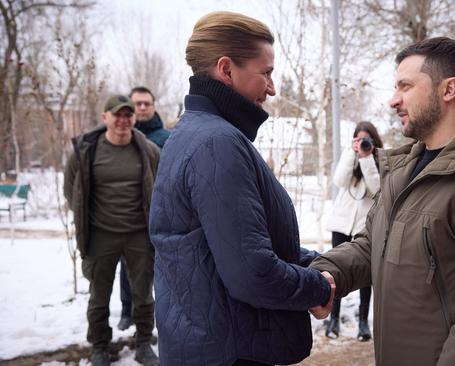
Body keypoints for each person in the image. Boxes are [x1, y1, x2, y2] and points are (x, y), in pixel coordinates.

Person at [310, 37, 455, 365]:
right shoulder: (404, 172)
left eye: (405, 86)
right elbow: (371, 246)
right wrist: (329, 273)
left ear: (448, 90)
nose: (393, 100)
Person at [148, 11, 334, 366]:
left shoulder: (197, 132)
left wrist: (319, 263)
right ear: (226, 70)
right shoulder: (216, 143)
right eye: (266, 73)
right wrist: (318, 288)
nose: (272, 87)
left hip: (210, 345)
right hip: (228, 353)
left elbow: (223, 246)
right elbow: (252, 273)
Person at [63, 95, 160, 366]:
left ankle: (143, 343)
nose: (123, 119)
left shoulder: (147, 149)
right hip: (100, 235)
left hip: (139, 234)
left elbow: (161, 184)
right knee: (99, 296)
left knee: (143, 294)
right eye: (117, 114)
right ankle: (99, 347)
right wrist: (86, 219)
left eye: (128, 114)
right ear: (105, 117)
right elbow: (72, 190)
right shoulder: (86, 151)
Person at [116, 86, 170, 331]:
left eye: (147, 103)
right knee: (128, 267)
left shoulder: (167, 138)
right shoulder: (118, 136)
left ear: (154, 105)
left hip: (160, 214)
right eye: (137, 104)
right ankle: (127, 311)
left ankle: (160, 313)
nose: (142, 107)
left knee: (160, 267)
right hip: (129, 215)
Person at [325, 121, 383, 341]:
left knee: (365, 276)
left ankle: (362, 324)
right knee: (336, 272)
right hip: (342, 225)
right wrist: (352, 153)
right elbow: (339, 180)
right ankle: (333, 319)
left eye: (366, 139)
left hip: (364, 227)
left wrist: (367, 158)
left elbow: (376, 188)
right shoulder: (349, 157)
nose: (363, 142)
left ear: (374, 140)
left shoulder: (379, 160)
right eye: (358, 139)